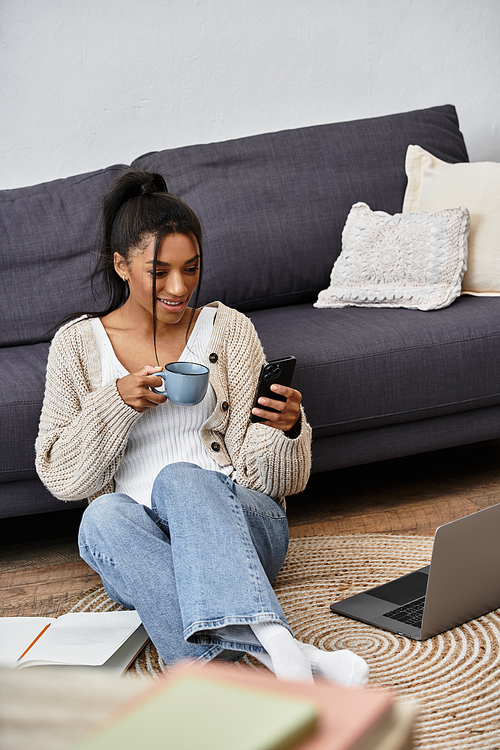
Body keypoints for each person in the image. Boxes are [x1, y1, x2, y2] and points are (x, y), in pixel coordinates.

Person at [35, 169, 368, 686]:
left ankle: (247, 655)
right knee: (99, 518)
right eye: (160, 271)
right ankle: (283, 650)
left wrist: (284, 429)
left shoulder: (228, 328)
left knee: (180, 478)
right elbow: (61, 478)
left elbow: (279, 483)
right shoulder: (75, 345)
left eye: (191, 269)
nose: (179, 287)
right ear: (122, 265)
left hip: (237, 525)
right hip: (143, 549)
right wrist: (114, 404)